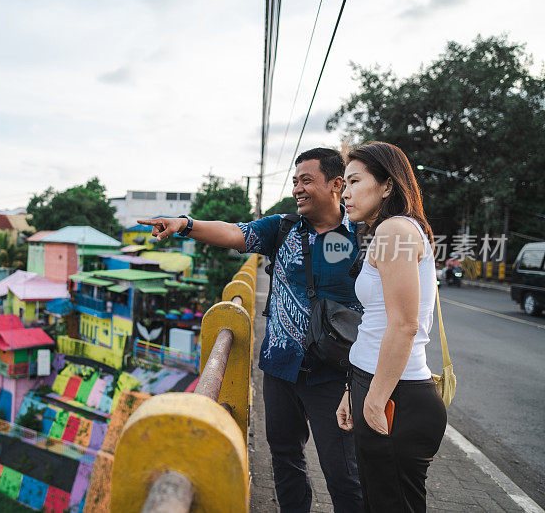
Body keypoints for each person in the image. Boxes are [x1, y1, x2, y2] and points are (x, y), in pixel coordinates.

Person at [139, 148, 363, 512]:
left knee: (343, 472)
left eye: (307, 180)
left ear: (336, 184)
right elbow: (234, 232)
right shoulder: (283, 228)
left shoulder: (364, 236)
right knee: (285, 458)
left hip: (336, 375)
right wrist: (186, 224)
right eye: (295, 181)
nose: (298, 188)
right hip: (281, 366)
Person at [336, 142, 447, 512]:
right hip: (379, 386)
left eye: (354, 181)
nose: (345, 193)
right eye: (343, 184)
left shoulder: (395, 230)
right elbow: (376, 322)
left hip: (396, 397)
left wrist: (377, 398)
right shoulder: (388, 231)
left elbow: (404, 326)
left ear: (387, 186)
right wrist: (355, 390)